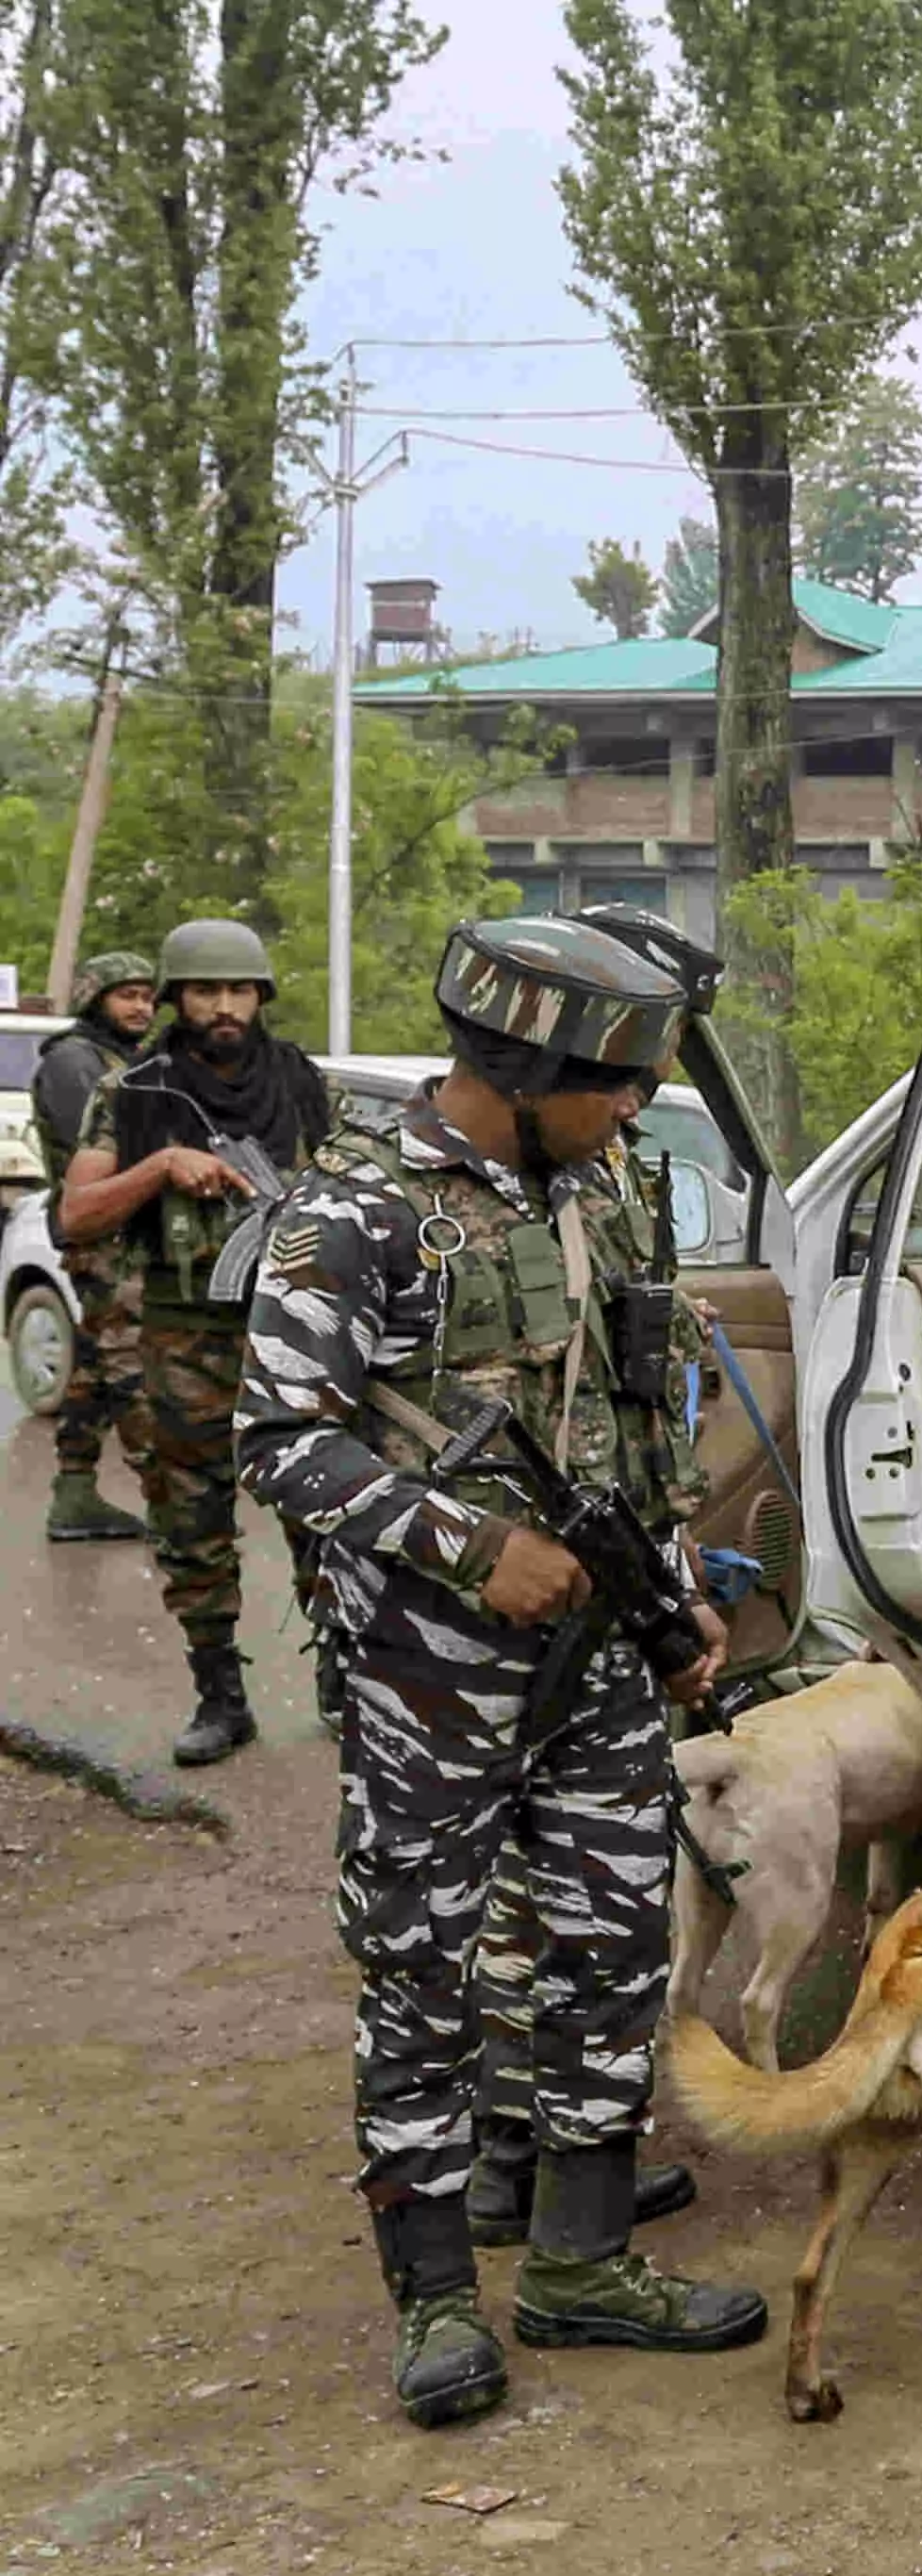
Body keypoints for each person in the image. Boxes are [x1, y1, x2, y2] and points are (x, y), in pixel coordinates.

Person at [235, 916, 764, 2428]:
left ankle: (583, 2266)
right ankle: (434, 2302)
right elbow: (282, 1440)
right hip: (434, 1669)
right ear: (525, 1069)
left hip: (600, 1649)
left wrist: (671, 1592)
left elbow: (630, 1418)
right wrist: (472, 1548)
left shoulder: (600, 1187)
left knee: (611, 1944)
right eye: (616, 1083)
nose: (632, 1107)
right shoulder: (353, 1215)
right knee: (423, 1970)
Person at [58, 917, 334, 1766]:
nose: (223, 1007)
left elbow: (360, 1187)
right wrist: (160, 1166)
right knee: (193, 1525)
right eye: (205, 991)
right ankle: (221, 1695)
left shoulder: (301, 1083)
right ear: (177, 999)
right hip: (183, 1338)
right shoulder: (133, 1091)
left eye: (238, 990)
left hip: (292, 1336)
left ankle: (345, 1681)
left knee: (325, 1515)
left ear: (260, 997)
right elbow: (74, 1217)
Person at [31, 947, 160, 1544]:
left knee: (94, 1366)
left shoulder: (125, 1057)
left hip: (127, 1229)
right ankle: (175, 1511)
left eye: (146, 995)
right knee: (135, 1366)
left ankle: (74, 1496)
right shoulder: (74, 1060)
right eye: (126, 995)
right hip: (105, 1234)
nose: (142, 1006)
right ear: (95, 999)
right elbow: (102, 1139)